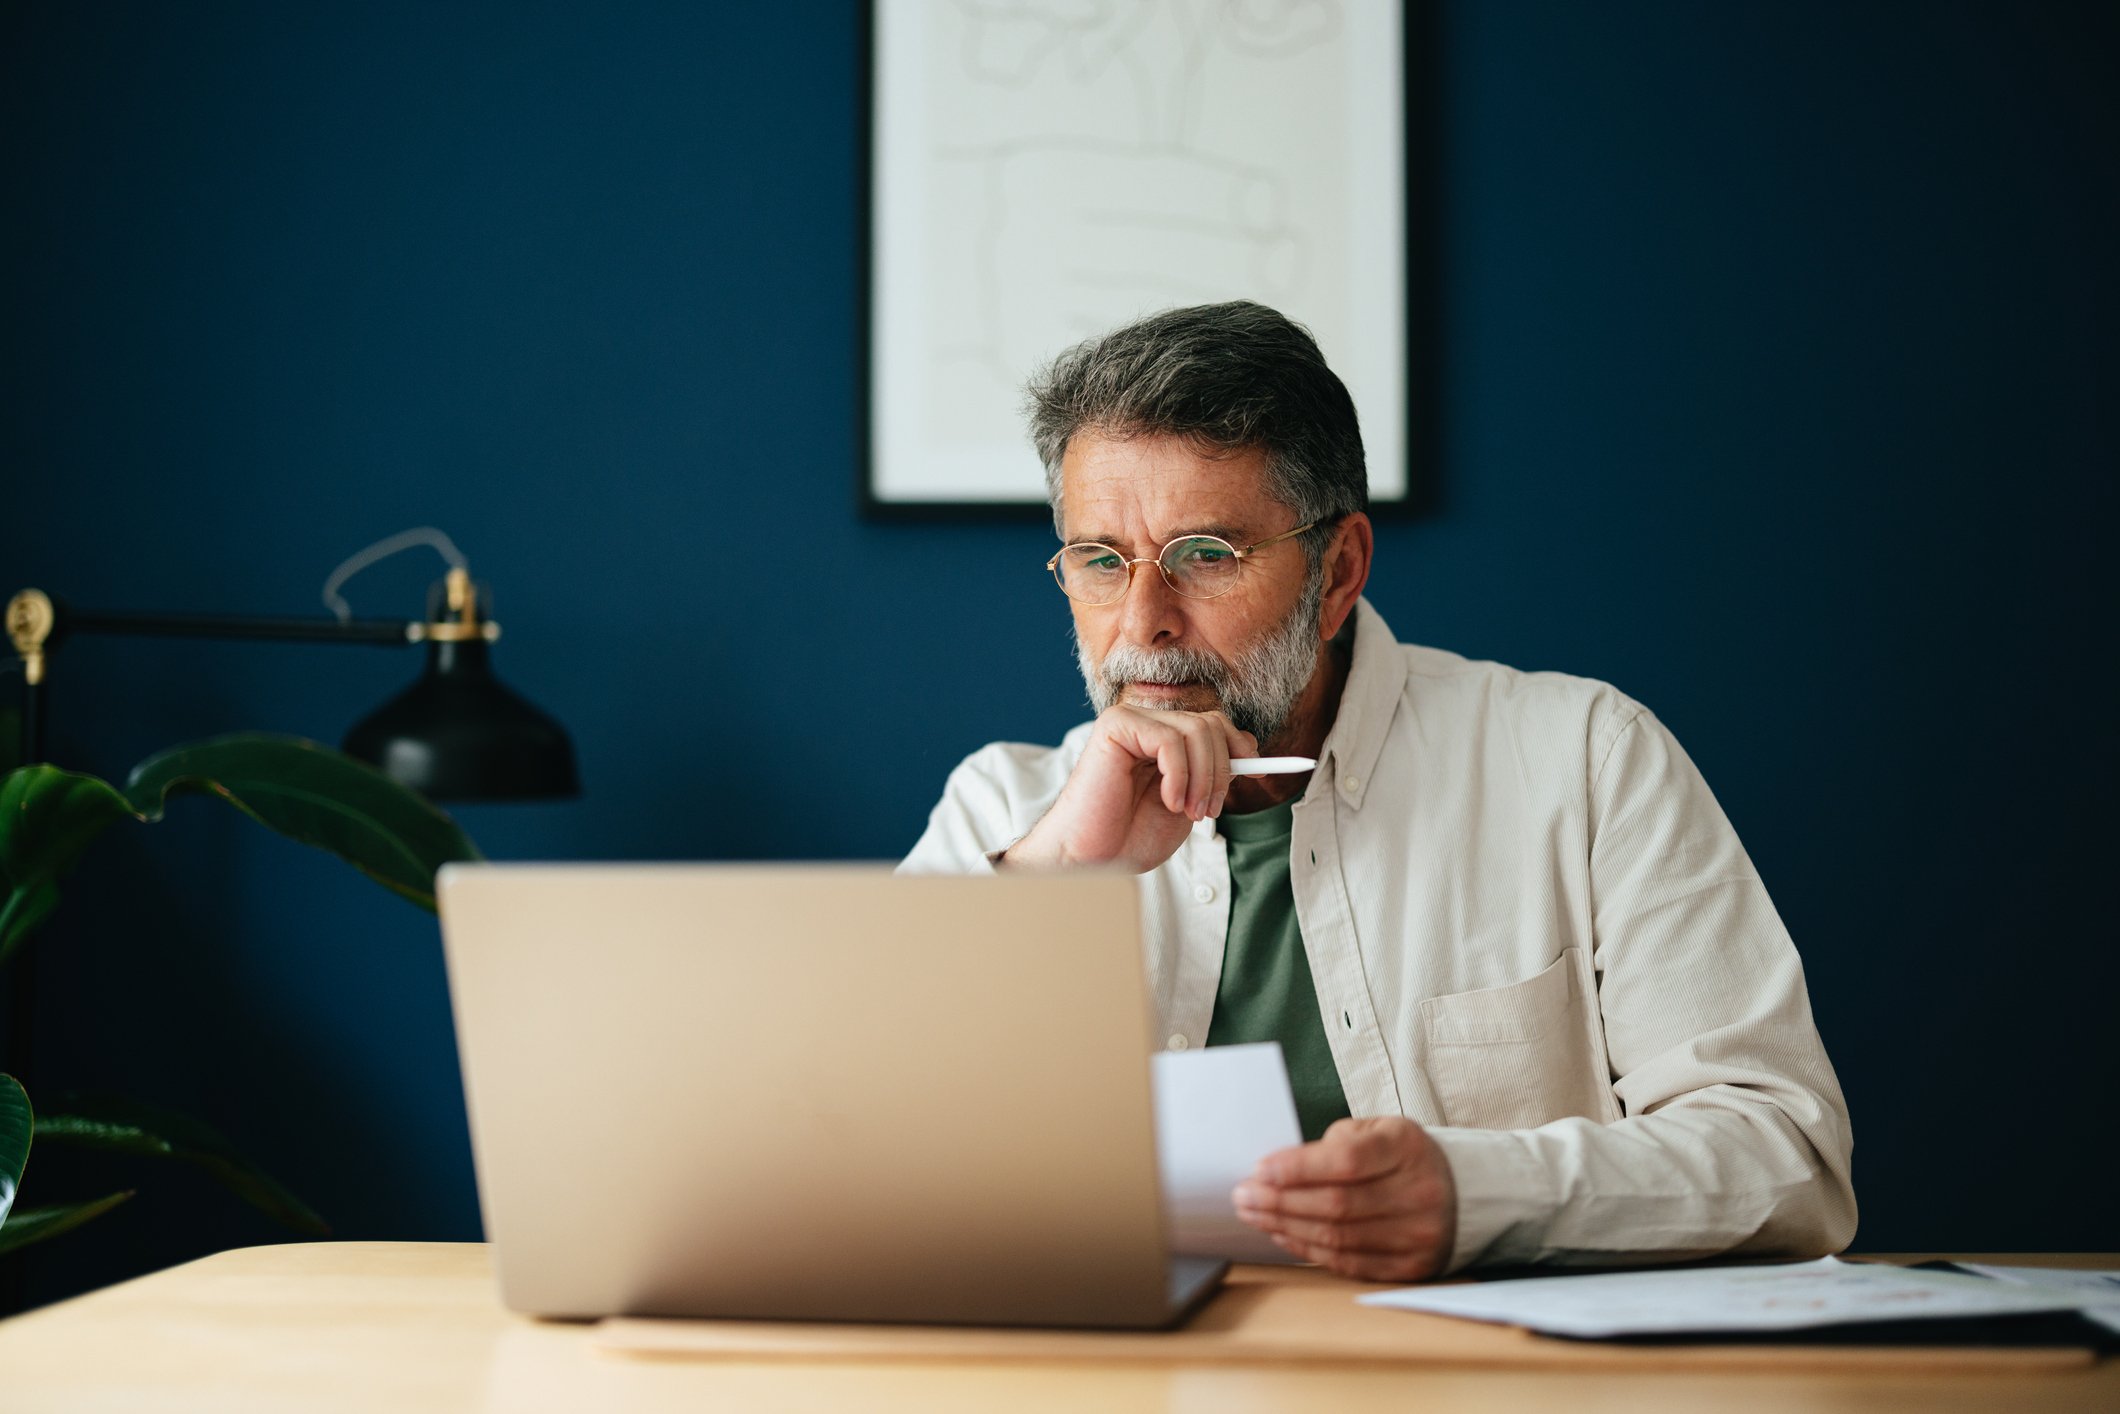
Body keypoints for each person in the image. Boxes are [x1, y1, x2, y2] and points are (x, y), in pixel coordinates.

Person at [900, 301, 1855, 1280]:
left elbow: (1788, 1159)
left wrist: (1479, 1194)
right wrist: (1056, 871)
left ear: (1338, 568)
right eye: (1101, 561)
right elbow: (841, 1139)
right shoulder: (1001, 814)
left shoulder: (1583, 760)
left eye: (1203, 556)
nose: (1143, 622)